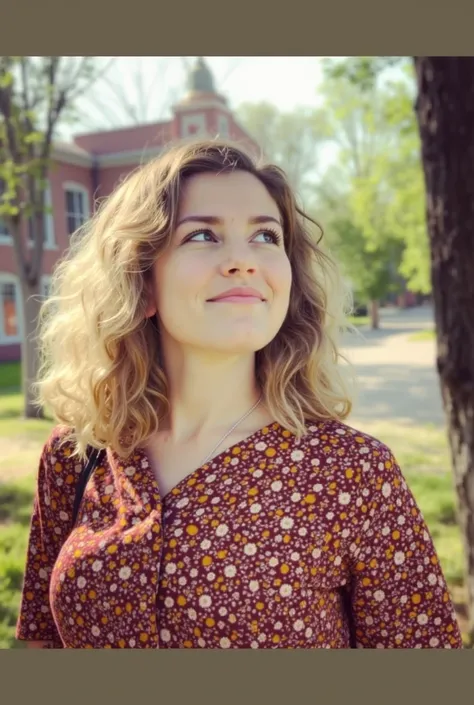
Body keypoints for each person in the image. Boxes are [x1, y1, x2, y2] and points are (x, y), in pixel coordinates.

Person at [16, 138, 463, 649]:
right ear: (140, 284)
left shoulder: (353, 474)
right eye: (203, 235)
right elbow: (41, 641)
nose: (242, 261)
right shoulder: (80, 452)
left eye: (266, 237)